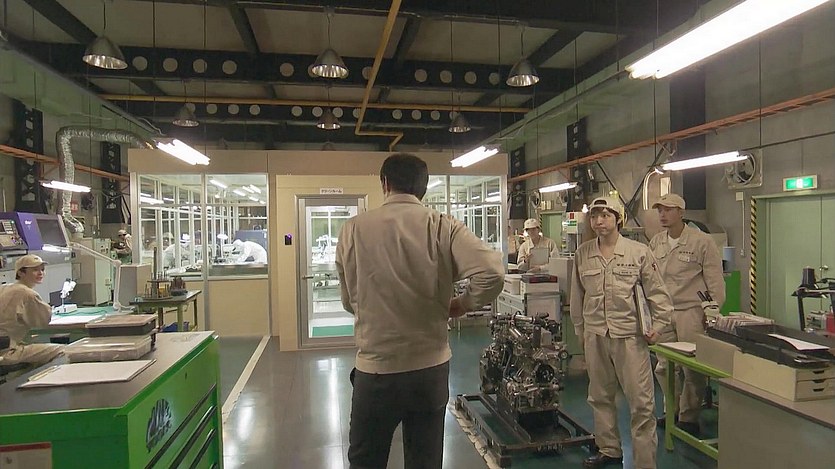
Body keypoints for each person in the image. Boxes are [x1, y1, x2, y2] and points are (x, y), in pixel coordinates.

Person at [336, 153, 504, 469]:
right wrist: (462, 304)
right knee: (424, 461)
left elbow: (348, 301)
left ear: (384, 183)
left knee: (366, 461)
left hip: (376, 371)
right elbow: (492, 272)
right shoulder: (443, 226)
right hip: (429, 371)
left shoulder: (353, 229)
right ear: (423, 188)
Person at [570, 196, 672, 469]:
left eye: (605, 215)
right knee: (600, 397)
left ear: (618, 220)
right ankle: (609, 449)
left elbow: (659, 295)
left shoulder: (638, 253)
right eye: (594, 216)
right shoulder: (583, 254)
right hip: (596, 336)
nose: (599, 221)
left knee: (642, 404)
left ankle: (645, 462)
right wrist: (581, 331)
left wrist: (658, 327)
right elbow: (577, 297)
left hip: (630, 338)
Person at [649, 193, 725, 436]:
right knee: (663, 367)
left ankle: (689, 417)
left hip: (692, 312)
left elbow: (715, 280)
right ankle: (671, 411)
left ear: (681, 212)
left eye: (668, 210)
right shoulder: (657, 242)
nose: (663, 214)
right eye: (660, 210)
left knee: (693, 368)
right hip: (663, 312)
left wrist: (712, 312)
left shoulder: (702, 241)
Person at [0, 255, 63, 367]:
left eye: (42, 269)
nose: (40, 273)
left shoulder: (4, 288)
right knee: (63, 351)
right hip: (7, 353)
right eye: (35, 270)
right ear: (20, 273)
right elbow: (43, 321)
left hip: (5, 346)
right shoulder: (27, 293)